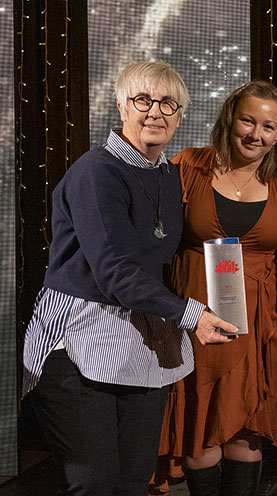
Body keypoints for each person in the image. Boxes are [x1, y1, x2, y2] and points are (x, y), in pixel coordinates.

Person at [21, 60, 236, 495]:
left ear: (180, 115)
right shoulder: (96, 171)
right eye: (143, 100)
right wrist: (193, 315)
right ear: (121, 106)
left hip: (142, 340)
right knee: (94, 482)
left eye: (168, 103)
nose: (155, 111)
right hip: (77, 341)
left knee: (134, 480)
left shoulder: (168, 175)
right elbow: (116, 272)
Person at [151, 80, 277, 496]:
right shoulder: (189, 165)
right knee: (199, 430)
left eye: (268, 127)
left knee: (245, 433)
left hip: (252, 323)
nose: (256, 134)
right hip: (192, 317)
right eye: (248, 121)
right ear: (229, 120)